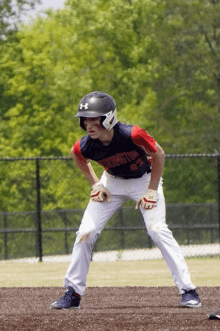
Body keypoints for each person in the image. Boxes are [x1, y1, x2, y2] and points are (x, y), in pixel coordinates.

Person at [51, 91, 202, 310]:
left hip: (144, 180)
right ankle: (72, 293)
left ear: (109, 118)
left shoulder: (132, 134)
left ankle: (189, 291)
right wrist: (96, 184)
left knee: (157, 229)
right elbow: (77, 156)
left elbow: (158, 154)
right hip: (112, 182)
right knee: (86, 232)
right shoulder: (85, 145)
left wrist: (151, 190)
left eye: (94, 118)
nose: (88, 124)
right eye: (85, 119)